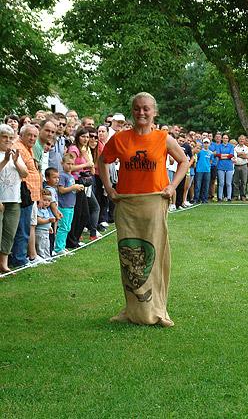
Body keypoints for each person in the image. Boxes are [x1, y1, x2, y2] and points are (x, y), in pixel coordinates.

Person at [98, 92, 188, 327]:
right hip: (127, 205)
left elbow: (184, 161)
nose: (141, 112)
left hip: (154, 203)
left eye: (146, 108)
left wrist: (172, 186)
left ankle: (158, 310)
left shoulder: (163, 138)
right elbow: (102, 161)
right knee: (128, 256)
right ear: (132, 111)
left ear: (154, 112)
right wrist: (109, 188)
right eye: (137, 108)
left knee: (154, 256)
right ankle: (132, 309)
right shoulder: (120, 139)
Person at [9, 124, 41, 268]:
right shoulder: (18, 148)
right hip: (24, 194)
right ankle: (19, 259)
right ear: (21, 135)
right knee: (22, 228)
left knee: (26, 227)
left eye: (35, 136)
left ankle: (21, 257)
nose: (32, 138)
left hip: (31, 194)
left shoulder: (28, 148)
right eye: (29, 135)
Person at [0, 124, 28, 273]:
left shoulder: (15, 154)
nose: (8, 140)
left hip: (14, 199)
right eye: (4, 137)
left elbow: (24, 174)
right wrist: (5, 160)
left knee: (9, 233)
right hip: (0, 199)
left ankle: (3, 263)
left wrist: (16, 161)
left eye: (11, 138)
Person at [54, 153, 84, 256]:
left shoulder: (70, 176)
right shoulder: (62, 176)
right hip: (64, 206)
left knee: (67, 227)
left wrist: (77, 188)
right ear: (62, 163)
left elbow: (70, 190)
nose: (70, 166)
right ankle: (58, 248)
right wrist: (73, 187)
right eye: (68, 163)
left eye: (72, 164)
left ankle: (62, 246)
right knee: (63, 227)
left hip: (70, 205)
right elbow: (61, 190)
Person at [35, 189, 56, 260]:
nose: (46, 202)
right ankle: (41, 258)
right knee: (41, 246)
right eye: (44, 200)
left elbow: (46, 221)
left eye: (49, 201)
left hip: (46, 231)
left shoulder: (46, 210)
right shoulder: (39, 209)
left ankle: (48, 257)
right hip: (40, 232)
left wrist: (49, 227)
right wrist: (48, 220)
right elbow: (38, 220)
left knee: (47, 245)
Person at [215, 133, 235, 202]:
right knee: (221, 183)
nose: (225, 139)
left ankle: (229, 197)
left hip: (229, 167)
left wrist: (222, 156)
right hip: (220, 166)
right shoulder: (219, 146)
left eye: (226, 138)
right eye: (224, 138)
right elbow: (218, 155)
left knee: (228, 183)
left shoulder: (231, 146)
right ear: (222, 139)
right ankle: (220, 197)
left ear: (228, 139)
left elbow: (231, 155)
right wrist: (227, 156)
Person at [194, 139, 212, 203]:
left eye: (207, 143)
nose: (206, 144)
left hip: (207, 171)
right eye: (205, 143)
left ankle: (204, 199)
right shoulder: (200, 152)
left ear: (209, 144)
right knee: (198, 185)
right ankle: (196, 199)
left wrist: (208, 166)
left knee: (206, 186)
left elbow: (211, 161)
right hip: (199, 170)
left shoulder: (211, 153)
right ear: (203, 144)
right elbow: (197, 159)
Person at [233, 135, 248, 201]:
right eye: (240, 139)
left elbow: (246, 156)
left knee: (244, 181)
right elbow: (234, 156)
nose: (241, 140)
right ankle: (236, 195)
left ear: (245, 140)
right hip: (236, 166)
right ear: (238, 140)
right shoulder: (235, 148)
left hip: (244, 166)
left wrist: (238, 154)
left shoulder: (246, 148)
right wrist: (242, 154)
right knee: (235, 181)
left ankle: (243, 195)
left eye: (243, 139)